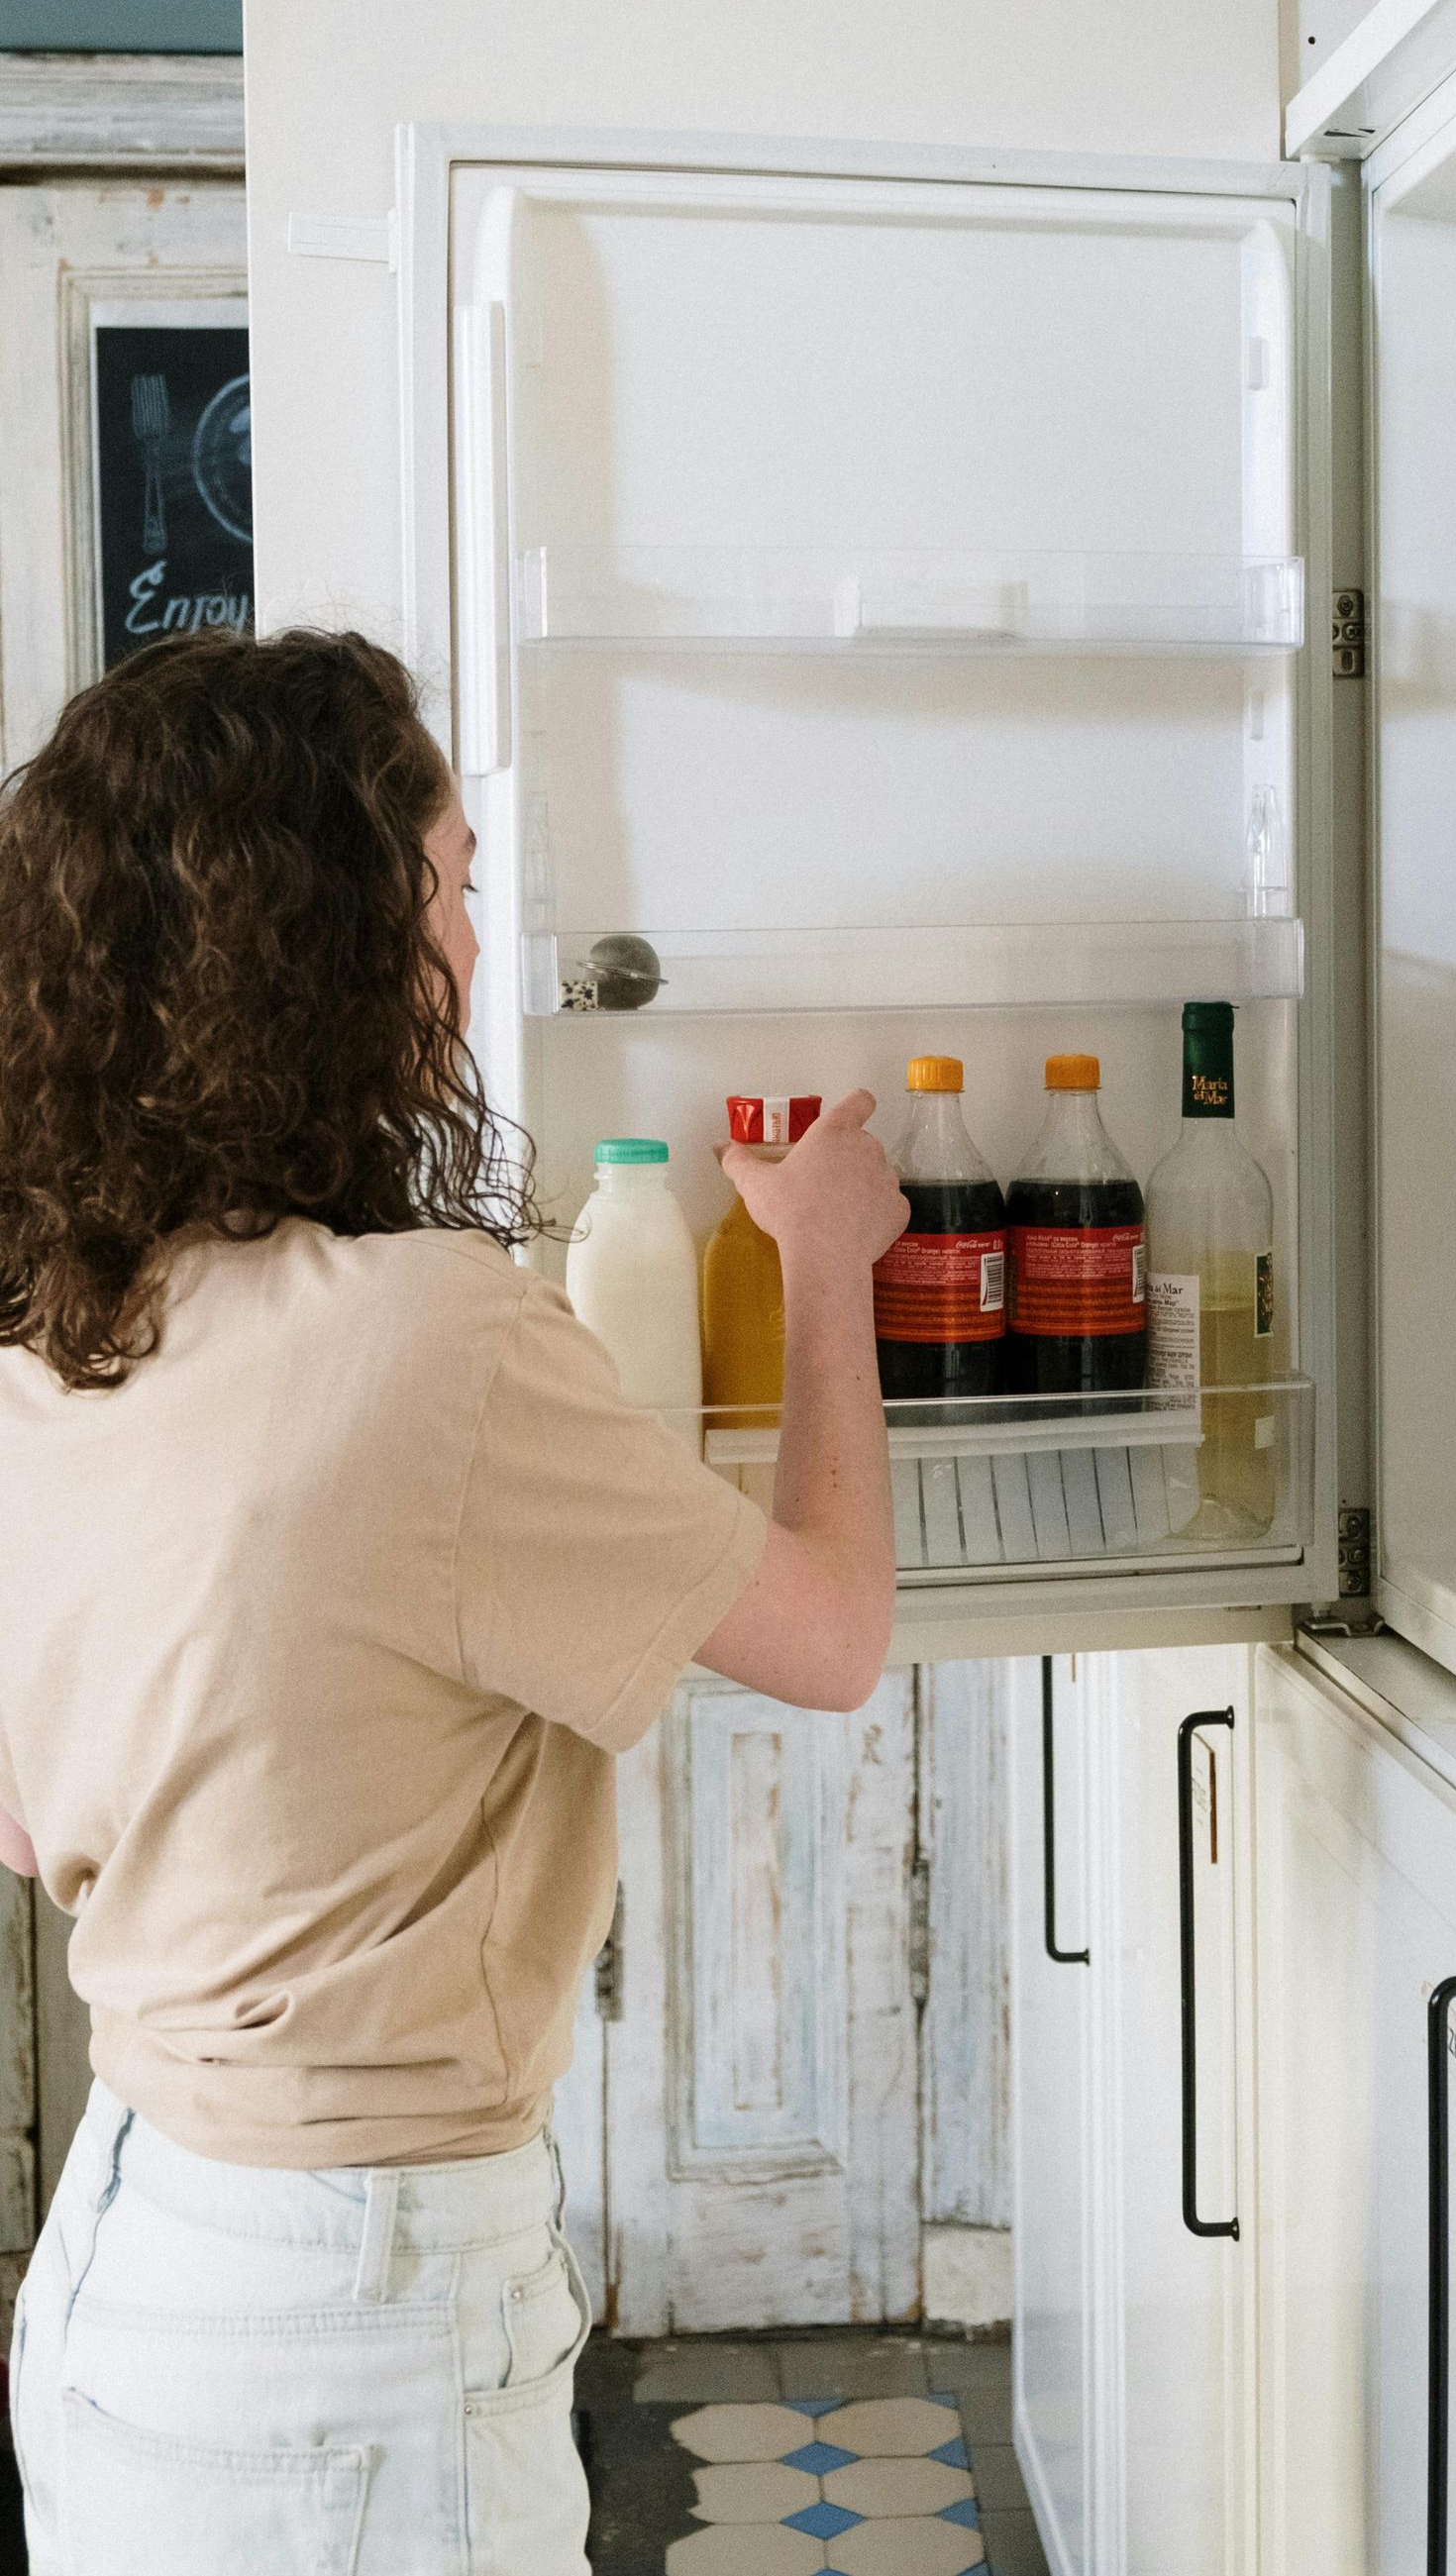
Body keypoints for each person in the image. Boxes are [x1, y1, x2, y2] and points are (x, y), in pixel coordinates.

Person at [0, 628, 907, 2574]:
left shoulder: (54, 1326)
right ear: (335, 946)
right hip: (351, 2300)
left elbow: (25, 1809)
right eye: (459, 886)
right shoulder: (433, 1341)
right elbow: (831, 1639)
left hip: (127, 2258)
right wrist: (827, 1260)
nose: (479, 944)